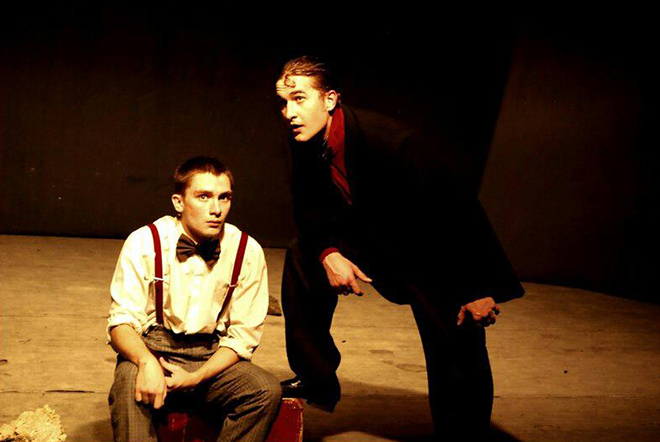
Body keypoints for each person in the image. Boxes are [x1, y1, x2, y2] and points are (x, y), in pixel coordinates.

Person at [275, 56, 525, 438]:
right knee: (301, 254)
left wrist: (477, 289)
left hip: (429, 251)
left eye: (298, 99)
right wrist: (329, 253)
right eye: (283, 102)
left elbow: (457, 210)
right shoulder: (304, 139)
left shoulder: (392, 142)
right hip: (373, 244)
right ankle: (316, 378)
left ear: (330, 99)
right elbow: (308, 206)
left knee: (457, 338)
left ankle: (465, 433)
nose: (290, 112)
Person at [107, 156, 281, 442]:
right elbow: (120, 324)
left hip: (211, 357)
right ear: (179, 202)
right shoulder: (145, 242)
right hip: (154, 351)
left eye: (224, 198)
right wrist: (147, 363)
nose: (216, 210)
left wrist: (196, 377)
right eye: (203, 197)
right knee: (128, 383)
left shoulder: (246, 251)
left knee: (265, 391)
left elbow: (242, 337)